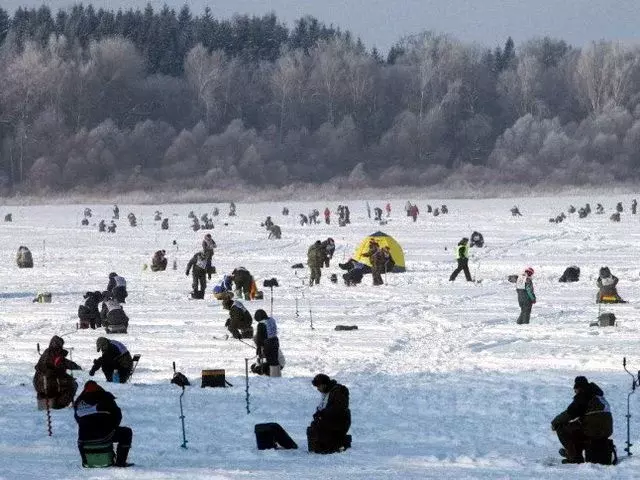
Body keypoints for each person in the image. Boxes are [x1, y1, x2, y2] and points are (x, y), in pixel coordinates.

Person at [551, 376, 613, 464]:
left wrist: (555, 422)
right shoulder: (597, 396)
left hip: (594, 430)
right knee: (577, 428)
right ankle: (573, 453)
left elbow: (570, 413)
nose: (575, 392)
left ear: (579, 388)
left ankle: (574, 457)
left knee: (563, 429)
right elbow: (592, 415)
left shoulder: (584, 395)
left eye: (575, 390)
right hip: (606, 430)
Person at [74, 380, 133, 467]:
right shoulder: (106, 398)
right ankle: (120, 462)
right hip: (104, 436)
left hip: (84, 440)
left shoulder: (79, 402)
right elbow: (117, 417)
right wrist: (111, 427)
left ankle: (87, 460)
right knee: (126, 432)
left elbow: (78, 420)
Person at [33, 335, 82, 409]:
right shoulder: (56, 354)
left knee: (58, 383)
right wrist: (76, 368)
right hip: (48, 383)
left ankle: (45, 402)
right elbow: (63, 364)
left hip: (38, 384)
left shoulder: (46, 353)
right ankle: (58, 405)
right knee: (73, 384)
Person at [307, 374, 351, 454]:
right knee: (313, 427)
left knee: (319, 429)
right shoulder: (327, 392)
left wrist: (322, 414)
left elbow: (338, 409)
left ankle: (341, 441)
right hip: (330, 420)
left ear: (324, 384)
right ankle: (319, 448)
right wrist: (318, 414)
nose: (318, 389)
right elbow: (323, 407)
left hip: (340, 422)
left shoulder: (338, 391)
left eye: (319, 386)